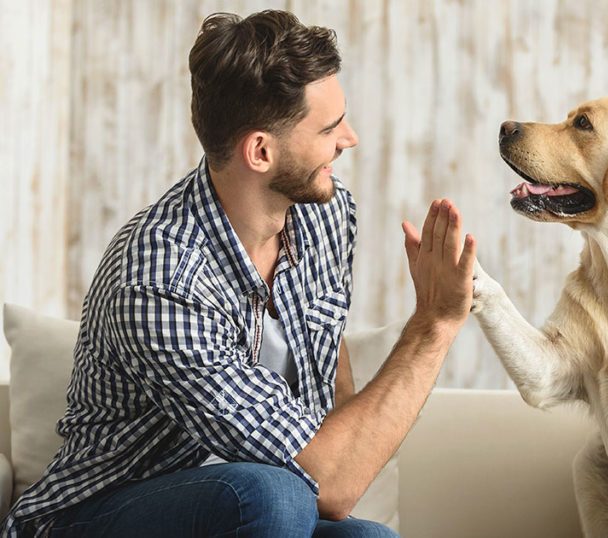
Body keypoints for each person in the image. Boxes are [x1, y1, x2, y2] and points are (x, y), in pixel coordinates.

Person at [2, 9, 476, 537]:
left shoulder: (326, 212)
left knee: (370, 537)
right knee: (271, 494)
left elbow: (330, 371)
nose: (351, 138)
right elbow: (331, 484)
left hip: (263, 513)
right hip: (97, 517)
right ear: (260, 151)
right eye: (329, 127)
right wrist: (434, 324)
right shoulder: (161, 278)